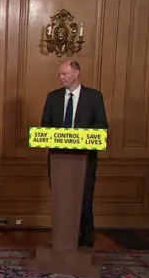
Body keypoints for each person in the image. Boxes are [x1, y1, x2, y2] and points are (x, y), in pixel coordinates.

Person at [41, 60, 108, 247]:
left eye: (65, 74)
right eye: (60, 75)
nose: (61, 78)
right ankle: (62, 241)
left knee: (84, 200)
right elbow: (45, 127)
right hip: (58, 161)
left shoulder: (94, 97)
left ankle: (86, 241)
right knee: (61, 201)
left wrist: (78, 138)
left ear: (77, 72)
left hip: (85, 160)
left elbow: (102, 126)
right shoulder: (53, 97)